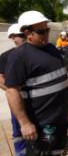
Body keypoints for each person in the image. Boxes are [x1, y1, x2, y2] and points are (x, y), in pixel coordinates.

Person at [5, 10, 68, 155]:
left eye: (47, 29)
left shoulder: (51, 49)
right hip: (41, 125)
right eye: (42, 31)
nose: (47, 34)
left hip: (60, 122)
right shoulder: (19, 56)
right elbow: (11, 91)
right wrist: (25, 123)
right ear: (28, 33)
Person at [0, 24, 26, 155]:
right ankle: (20, 151)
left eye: (24, 35)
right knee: (18, 126)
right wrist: (15, 91)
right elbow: (0, 78)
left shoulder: (33, 53)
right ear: (12, 37)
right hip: (17, 100)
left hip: (35, 99)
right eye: (20, 36)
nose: (24, 38)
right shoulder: (6, 56)